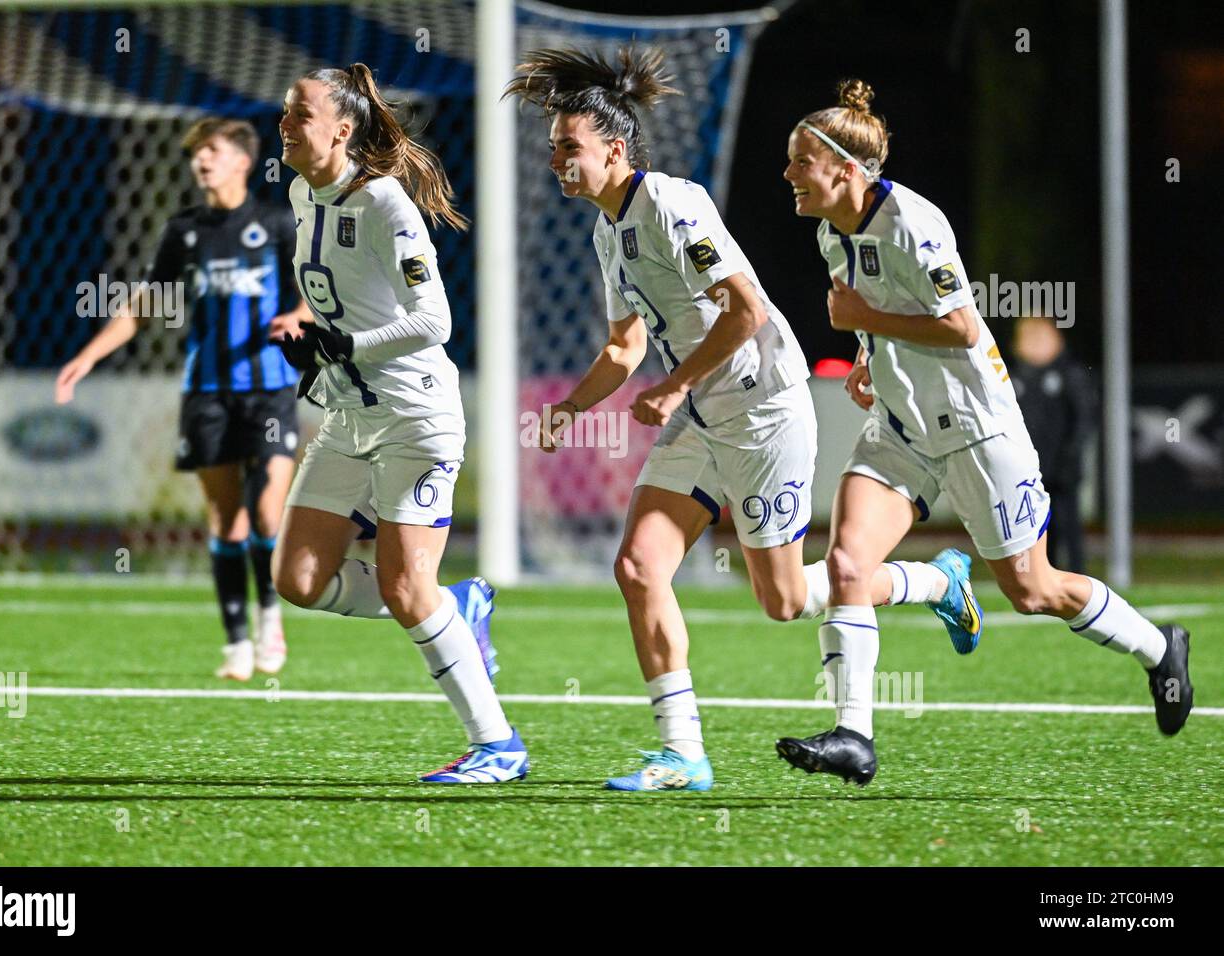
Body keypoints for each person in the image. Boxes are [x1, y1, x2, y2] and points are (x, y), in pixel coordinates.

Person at [504, 48, 982, 793]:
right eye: (555, 149)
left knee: (783, 601)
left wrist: (675, 386)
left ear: (615, 150)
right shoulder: (608, 232)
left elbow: (746, 308)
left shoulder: (670, 202)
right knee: (637, 567)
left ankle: (935, 581)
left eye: (571, 148)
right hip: (701, 415)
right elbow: (625, 345)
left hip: (763, 407)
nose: (558, 161)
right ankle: (682, 753)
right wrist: (570, 408)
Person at [777, 79, 1192, 785]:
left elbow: (961, 326)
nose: (788, 174)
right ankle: (855, 736)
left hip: (976, 430)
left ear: (845, 169)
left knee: (1032, 591)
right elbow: (877, 315)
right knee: (847, 565)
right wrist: (868, 362)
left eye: (799, 162)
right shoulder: (829, 234)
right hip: (902, 429)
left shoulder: (914, 221)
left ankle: (1160, 648)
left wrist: (865, 327)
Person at [269, 62, 526, 784]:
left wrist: (350, 343)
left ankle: (498, 745)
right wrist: (312, 332)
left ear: (342, 130)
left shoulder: (386, 205)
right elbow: (337, 288)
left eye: (298, 114)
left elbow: (433, 319)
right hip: (349, 414)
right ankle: (460, 604)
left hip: (416, 417)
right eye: (286, 113)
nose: (284, 125)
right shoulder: (300, 190)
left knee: (407, 589)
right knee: (297, 577)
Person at [56, 117, 310, 680]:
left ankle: (272, 617)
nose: (202, 161)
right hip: (207, 392)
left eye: (212, 151)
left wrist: (297, 316)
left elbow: (312, 294)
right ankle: (237, 641)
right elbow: (144, 304)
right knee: (225, 520)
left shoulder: (274, 223)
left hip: (268, 389)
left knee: (268, 511)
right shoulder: (185, 231)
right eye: (197, 153)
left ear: (243, 161)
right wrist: (90, 355)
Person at [1011, 315, 1096, 573]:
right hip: (1027, 470)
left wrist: (1072, 454)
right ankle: (1044, 576)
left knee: (1068, 523)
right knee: (1037, 528)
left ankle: (1078, 578)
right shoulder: (1012, 375)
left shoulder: (1069, 374)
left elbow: (1084, 417)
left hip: (1062, 469)